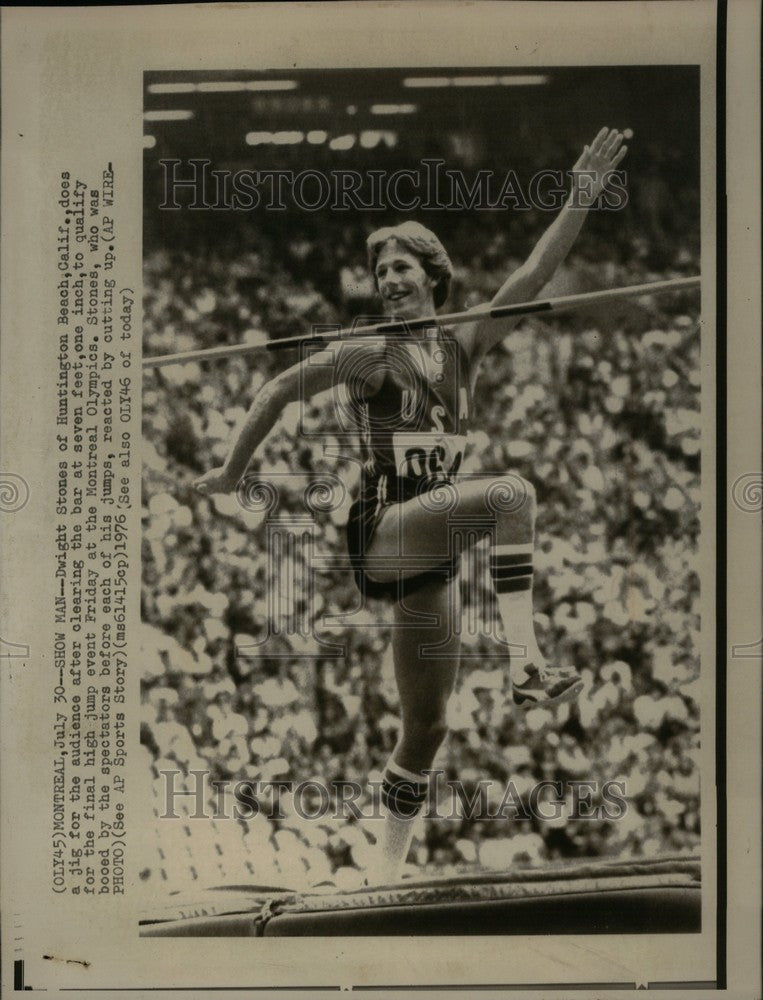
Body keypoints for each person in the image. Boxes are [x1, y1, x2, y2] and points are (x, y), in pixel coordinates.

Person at [194, 127, 629, 884]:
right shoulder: (369, 353)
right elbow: (278, 389)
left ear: (433, 276)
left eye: (400, 267)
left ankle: (382, 876)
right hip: (383, 530)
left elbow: (532, 273)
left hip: (433, 547)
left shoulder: (462, 348)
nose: (387, 278)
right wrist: (233, 471)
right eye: (379, 270)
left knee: (429, 726)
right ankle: (527, 667)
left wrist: (579, 197)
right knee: (509, 493)